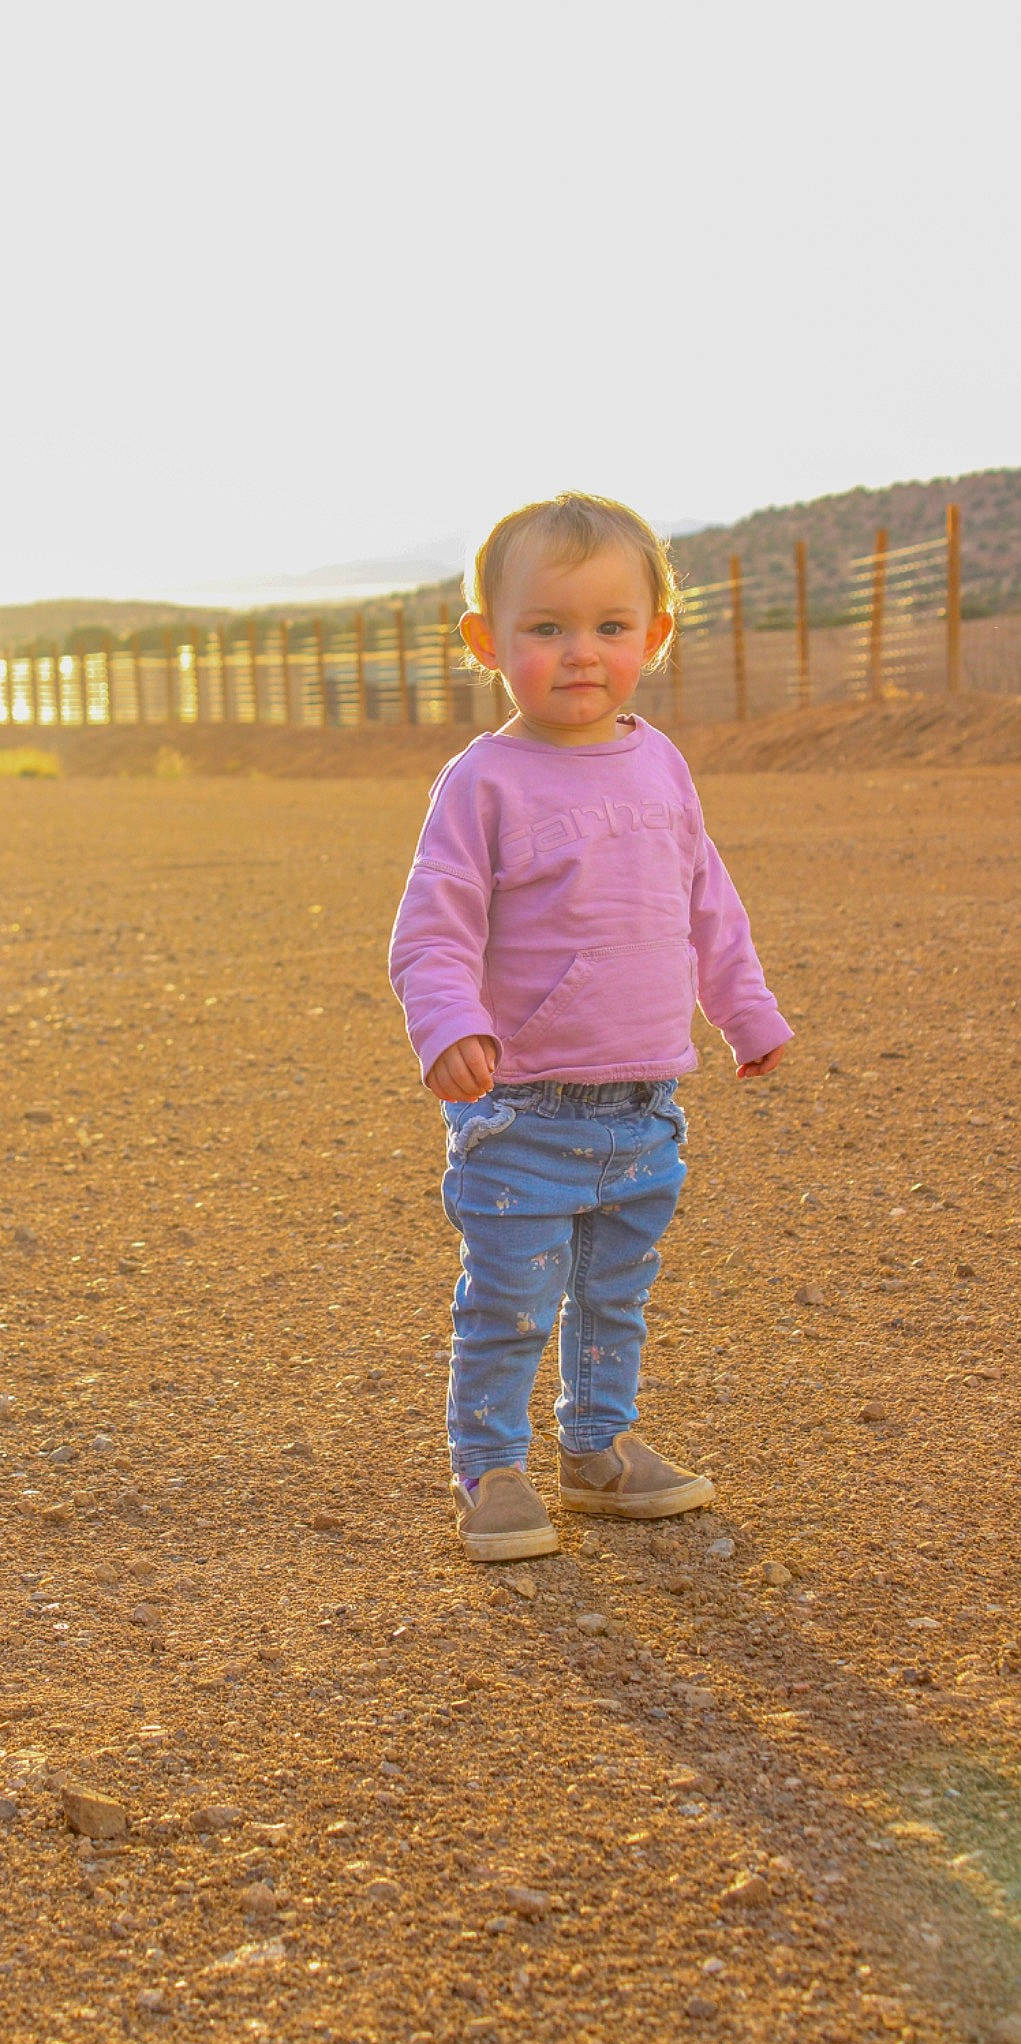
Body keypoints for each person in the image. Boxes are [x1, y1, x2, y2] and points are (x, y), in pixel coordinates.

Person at [389, 492, 792, 1563]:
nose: (581, 653)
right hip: (520, 1107)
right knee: (513, 1303)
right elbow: (431, 931)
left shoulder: (661, 763)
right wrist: (448, 1026)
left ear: (654, 637)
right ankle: (491, 1467)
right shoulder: (484, 782)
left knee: (616, 1296)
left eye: (611, 626)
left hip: (646, 1103)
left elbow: (706, 899)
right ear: (488, 640)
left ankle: (600, 1448)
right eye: (547, 627)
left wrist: (744, 1007)